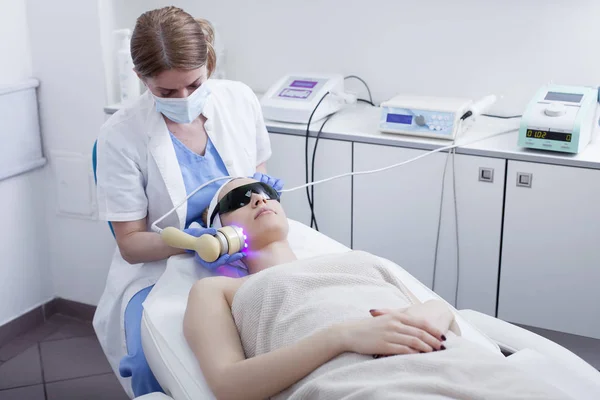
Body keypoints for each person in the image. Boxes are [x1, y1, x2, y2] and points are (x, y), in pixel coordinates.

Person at [183, 178, 571, 400]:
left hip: (462, 365)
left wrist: (434, 311)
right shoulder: (218, 290)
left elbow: (431, 309)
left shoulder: (357, 258)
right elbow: (229, 385)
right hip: (360, 385)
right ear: (218, 228)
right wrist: (344, 336)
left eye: (265, 188)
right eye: (239, 197)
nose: (259, 197)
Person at [92, 6, 283, 397]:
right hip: (158, 271)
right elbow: (130, 244)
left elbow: (254, 178)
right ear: (140, 78)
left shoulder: (240, 101)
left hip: (244, 254)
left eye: (194, 85)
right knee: (155, 360)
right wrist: (197, 241)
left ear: (208, 64)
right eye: (166, 91)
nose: (182, 98)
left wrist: (258, 202)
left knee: (284, 326)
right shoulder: (120, 136)